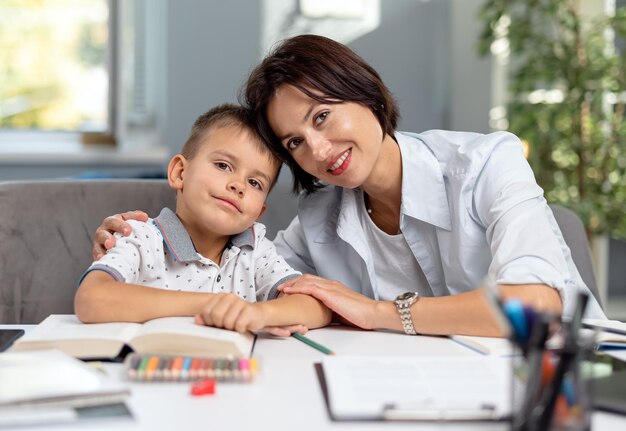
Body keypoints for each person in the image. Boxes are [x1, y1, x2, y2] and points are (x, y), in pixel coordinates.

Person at [92, 35, 605, 337]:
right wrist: (135, 236)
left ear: (366, 94)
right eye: (294, 143)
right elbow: (246, 257)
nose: (316, 150)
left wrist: (381, 313)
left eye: (323, 116)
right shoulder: (319, 220)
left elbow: (536, 304)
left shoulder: (489, 163)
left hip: (566, 381)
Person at [76, 103, 331, 336]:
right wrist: (212, 304)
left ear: (258, 213)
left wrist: (259, 313)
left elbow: (317, 306)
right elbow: (90, 299)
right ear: (180, 172)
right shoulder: (140, 237)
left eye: (254, 182)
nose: (238, 185)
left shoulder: (254, 250)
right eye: (223, 165)